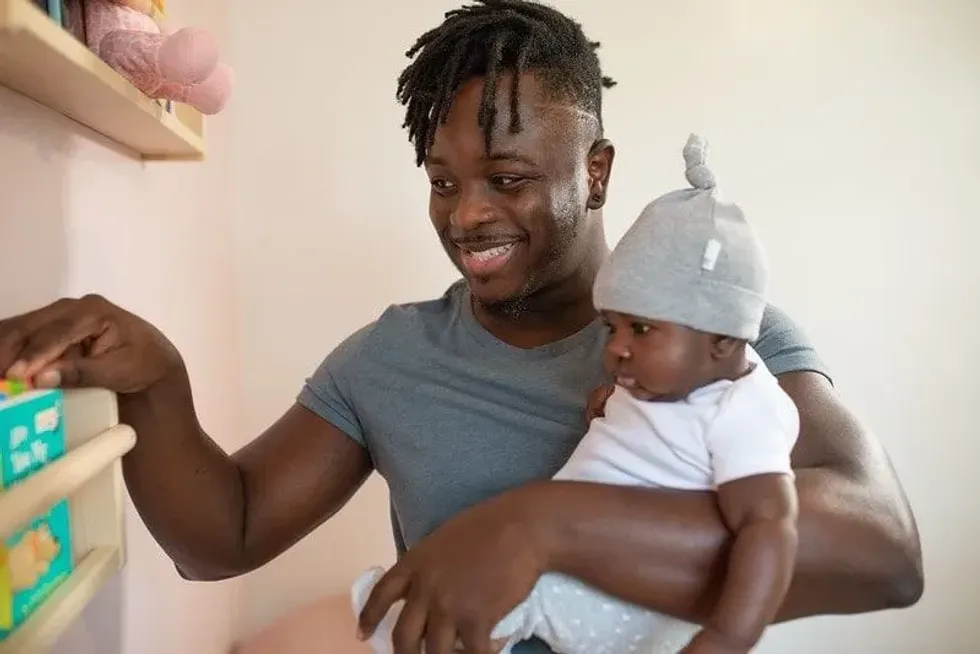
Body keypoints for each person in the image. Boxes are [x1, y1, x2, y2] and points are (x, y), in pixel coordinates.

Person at [0, 2, 922, 653]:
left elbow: (883, 553)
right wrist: (157, 382)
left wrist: (544, 525)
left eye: (508, 178)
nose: (466, 215)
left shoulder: (715, 334)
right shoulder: (392, 357)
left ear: (595, 172)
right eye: (443, 181)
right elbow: (223, 537)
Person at [351, 133, 801, 654]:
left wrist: (727, 635)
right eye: (613, 328)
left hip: (630, 599)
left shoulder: (745, 411)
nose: (617, 349)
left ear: (722, 338)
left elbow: (770, 527)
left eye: (642, 330)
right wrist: (608, 413)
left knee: (489, 604)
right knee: (483, 601)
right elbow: (654, 446)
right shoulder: (669, 379)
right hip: (573, 573)